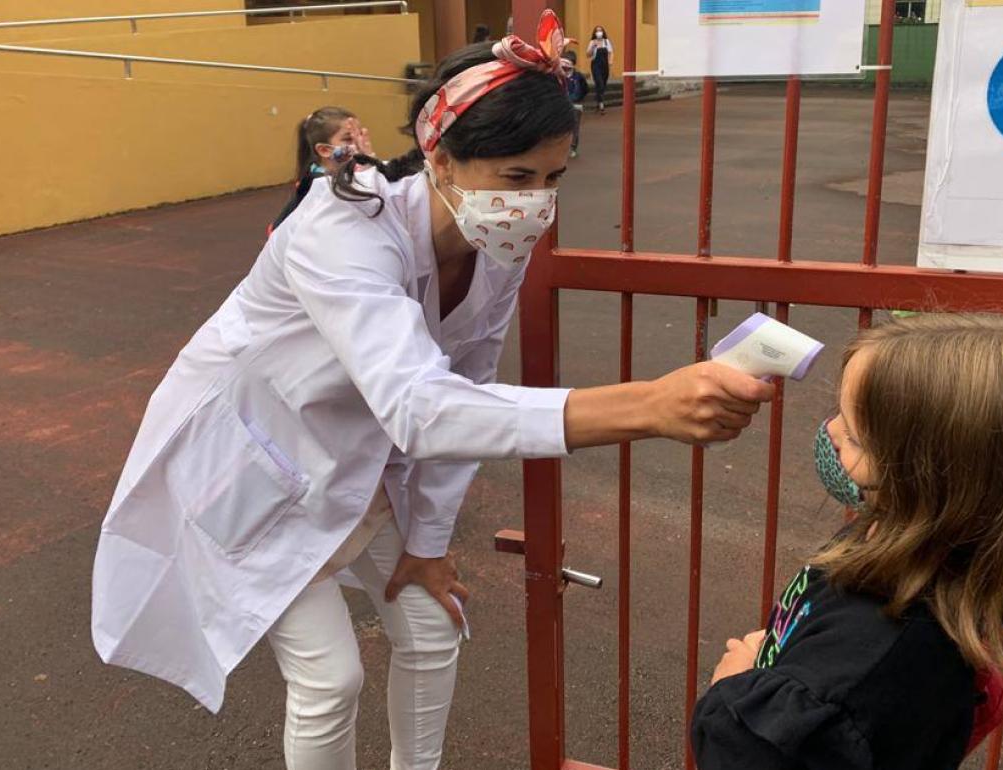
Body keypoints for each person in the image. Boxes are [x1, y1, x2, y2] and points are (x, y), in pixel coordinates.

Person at [91, 11, 773, 770]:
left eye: (553, 179)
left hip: (357, 461)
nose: (535, 204)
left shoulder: (493, 240)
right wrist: (646, 406)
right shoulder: (341, 226)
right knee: (330, 676)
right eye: (516, 178)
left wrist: (428, 541)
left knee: (432, 622)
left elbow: (468, 382)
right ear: (440, 160)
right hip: (256, 462)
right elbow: (419, 405)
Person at [692, 314, 1003, 769]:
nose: (832, 433)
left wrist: (734, 688)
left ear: (934, 481)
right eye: (840, 413)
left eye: (856, 436)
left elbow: (755, 757)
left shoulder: (877, 658)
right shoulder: (909, 543)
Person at [270, 107, 374, 234]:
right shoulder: (320, 183)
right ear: (324, 150)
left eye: (359, 135)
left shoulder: (346, 171)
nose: (358, 143)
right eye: (348, 139)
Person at [564, 50, 589, 158]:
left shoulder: (578, 76)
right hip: (562, 104)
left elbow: (585, 88)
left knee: (574, 127)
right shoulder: (558, 75)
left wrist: (578, 98)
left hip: (576, 105)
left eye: (568, 63)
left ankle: (573, 147)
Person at [586, 25, 613, 115]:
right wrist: (592, 47)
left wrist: (610, 61)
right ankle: (601, 105)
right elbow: (588, 55)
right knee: (599, 83)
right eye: (597, 31)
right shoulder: (592, 42)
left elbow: (610, 52)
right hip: (596, 65)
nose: (599, 32)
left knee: (603, 85)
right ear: (594, 33)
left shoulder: (606, 42)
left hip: (605, 65)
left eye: (600, 30)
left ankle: (598, 102)